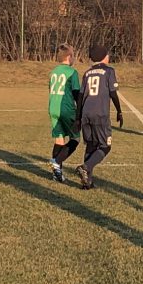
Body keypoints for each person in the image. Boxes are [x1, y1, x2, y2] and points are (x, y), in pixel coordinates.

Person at [78, 43, 124, 188]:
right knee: (105, 146)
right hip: (100, 114)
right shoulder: (109, 71)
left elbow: (80, 96)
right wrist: (119, 111)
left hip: (86, 113)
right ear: (104, 57)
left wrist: (78, 117)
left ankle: (87, 182)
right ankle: (86, 167)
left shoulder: (87, 73)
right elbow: (113, 93)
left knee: (91, 145)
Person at [47, 44, 83, 183]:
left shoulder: (53, 72)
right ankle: (56, 162)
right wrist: (80, 110)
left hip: (53, 108)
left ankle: (56, 174)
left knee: (59, 140)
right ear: (69, 57)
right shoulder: (72, 72)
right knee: (75, 139)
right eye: (73, 56)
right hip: (66, 109)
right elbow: (76, 94)